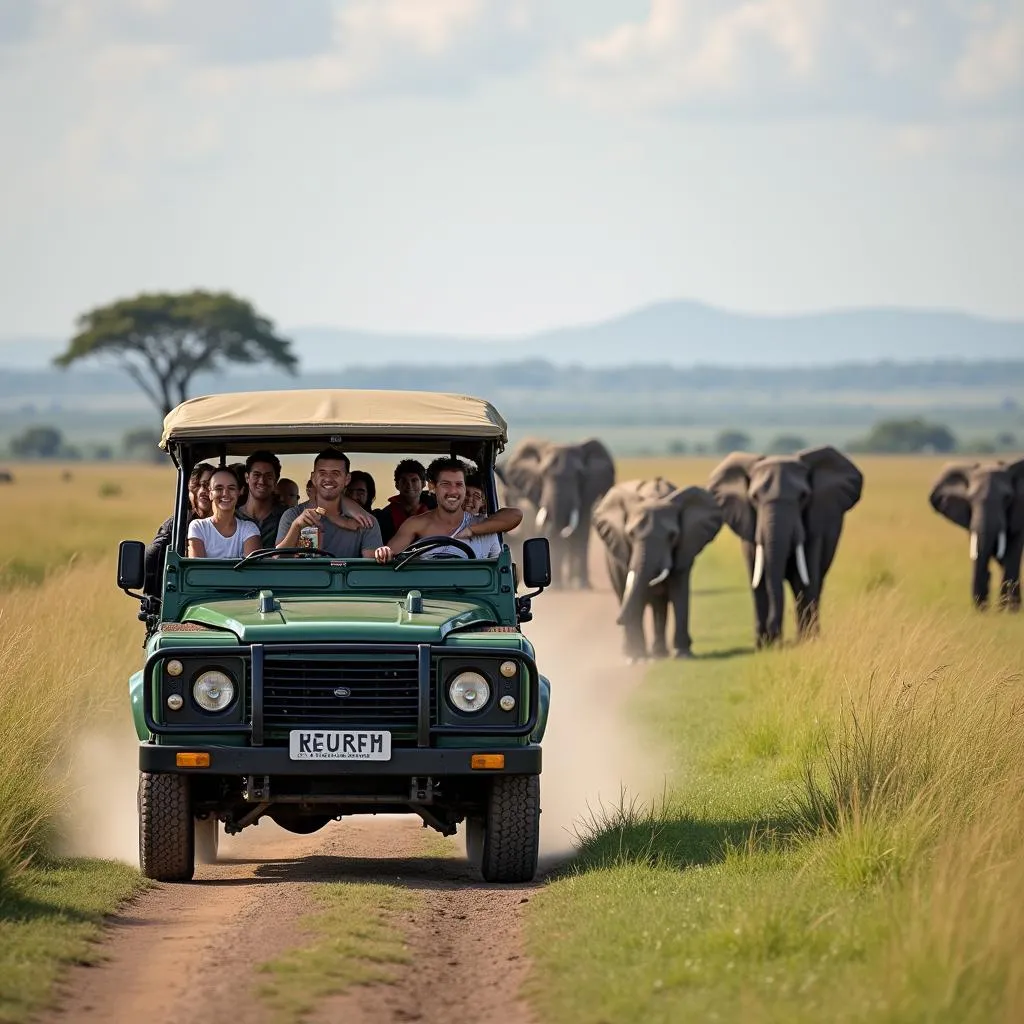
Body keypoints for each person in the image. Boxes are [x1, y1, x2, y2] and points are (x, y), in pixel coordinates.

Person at [374, 458, 521, 563]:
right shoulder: (415, 524)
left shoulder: (484, 529)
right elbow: (389, 556)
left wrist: (471, 531)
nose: (453, 491)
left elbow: (516, 515)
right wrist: (383, 554)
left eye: (459, 484)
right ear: (432, 487)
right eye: (446, 484)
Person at [276, 448, 382, 558]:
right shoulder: (292, 515)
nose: (328, 479)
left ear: (347, 479)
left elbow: (371, 568)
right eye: (322, 473)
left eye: (335, 474)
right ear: (313, 478)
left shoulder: (366, 522)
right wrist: (296, 527)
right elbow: (277, 561)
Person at [144, 461, 214, 595]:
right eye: (197, 485)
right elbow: (153, 556)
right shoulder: (177, 524)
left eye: (208, 486)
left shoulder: (237, 523)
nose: (202, 491)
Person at [187, 468, 261, 558]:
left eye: (231, 488)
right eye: (219, 488)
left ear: (240, 491)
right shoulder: (198, 527)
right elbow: (197, 570)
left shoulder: (249, 528)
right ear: (210, 493)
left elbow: (251, 570)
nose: (225, 493)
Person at [373, 459, 432, 543]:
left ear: (423, 484)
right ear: (397, 485)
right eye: (404, 481)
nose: (409, 485)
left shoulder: (435, 509)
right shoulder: (384, 516)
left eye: (414, 480)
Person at [238, 450, 286, 549]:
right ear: (247, 477)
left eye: (268, 476)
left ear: (276, 481)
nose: (262, 481)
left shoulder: (285, 516)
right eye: (256, 475)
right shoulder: (233, 517)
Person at [463, 473, 501, 558]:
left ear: (482, 503)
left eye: (476, 496)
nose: (470, 499)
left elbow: (497, 565)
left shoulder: (488, 528)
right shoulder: (441, 522)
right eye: (466, 494)